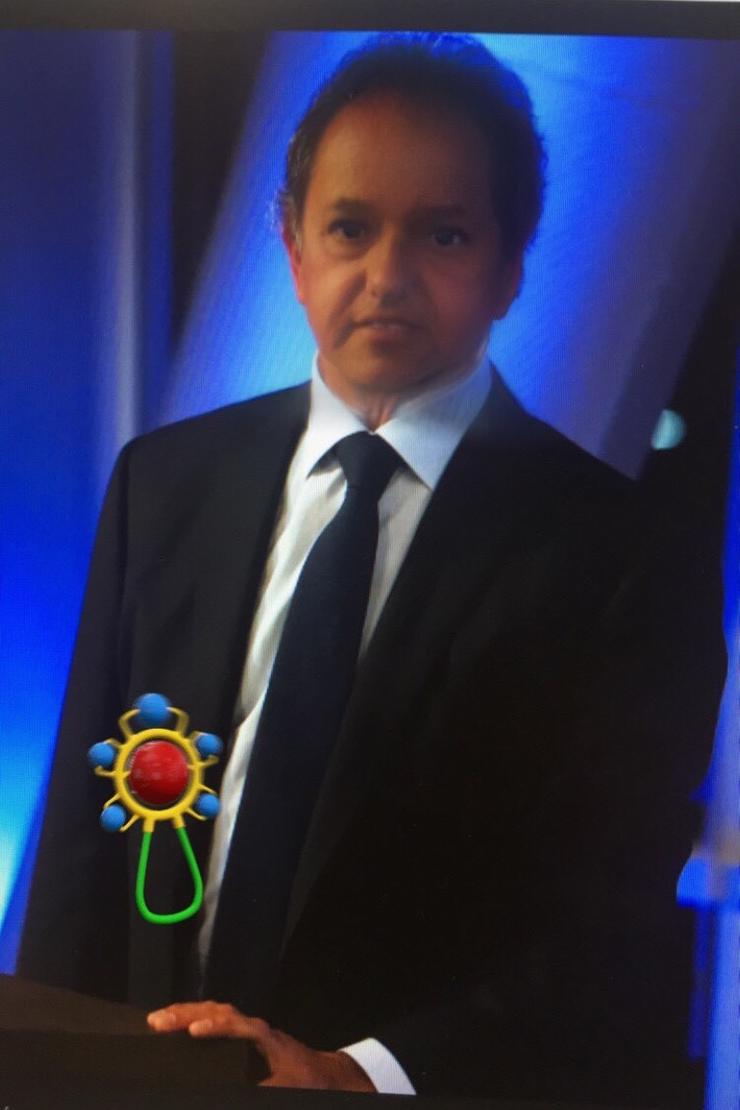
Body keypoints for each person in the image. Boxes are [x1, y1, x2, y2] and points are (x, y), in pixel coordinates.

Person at [18, 33, 724, 1104]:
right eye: (349, 227)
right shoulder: (164, 482)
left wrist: (359, 1074)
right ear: (294, 248)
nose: (386, 277)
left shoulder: (618, 555)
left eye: (443, 234)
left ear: (510, 266)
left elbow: (604, 932)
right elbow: (84, 843)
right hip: (142, 1075)